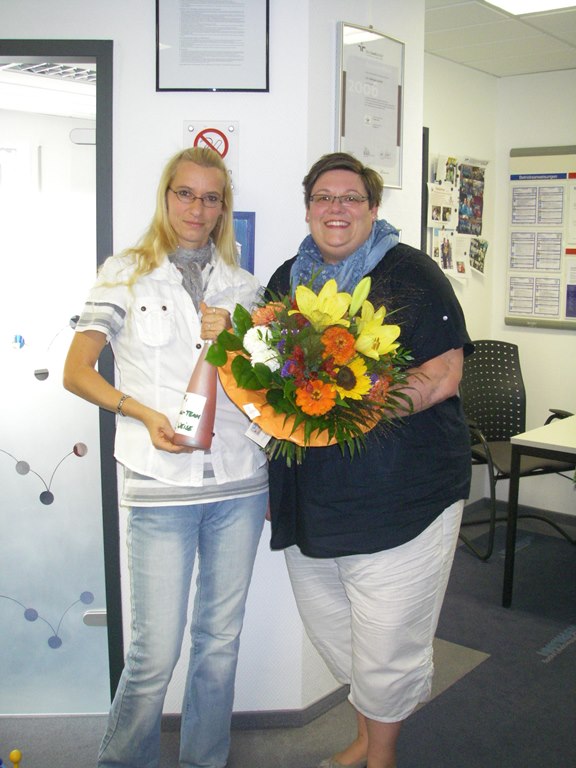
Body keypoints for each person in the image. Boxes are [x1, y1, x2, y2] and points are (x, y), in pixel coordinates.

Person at [266, 152, 473, 768]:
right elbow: (264, 385)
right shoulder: (287, 281)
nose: (337, 208)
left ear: (373, 208)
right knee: (336, 630)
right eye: (324, 197)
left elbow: (443, 375)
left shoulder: (411, 274)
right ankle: (365, 737)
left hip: (403, 495)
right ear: (308, 208)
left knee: (387, 644)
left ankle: (381, 755)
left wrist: (351, 410)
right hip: (313, 497)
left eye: (351, 197)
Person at [63, 146, 268, 768]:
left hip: (238, 482)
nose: (196, 209)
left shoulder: (245, 286)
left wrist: (240, 338)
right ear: (166, 196)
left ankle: (206, 761)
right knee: (154, 654)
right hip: (159, 485)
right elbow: (77, 371)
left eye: (211, 198)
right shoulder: (125, 272)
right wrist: (141, 412)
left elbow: (262, 387)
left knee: (220, 643)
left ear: (223, 207)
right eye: (186, 194)